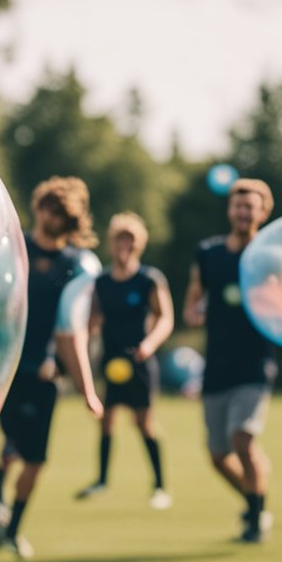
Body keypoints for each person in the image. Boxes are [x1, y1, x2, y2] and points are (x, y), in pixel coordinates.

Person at [0, 176, 103, 559]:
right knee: (16, 440)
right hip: (7, 369)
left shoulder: (74, 266)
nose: (47, 215)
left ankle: (11, 526)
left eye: (56, 211)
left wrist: (87, 390)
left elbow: (74, 332)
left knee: (36, 461)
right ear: (37, 207)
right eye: (45, 206)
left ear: (66, 218)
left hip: (46, 374)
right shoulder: (15, 251)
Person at [182, 177, 277, 543]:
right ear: (230, 210)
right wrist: (195, 312)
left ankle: (254, 519)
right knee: (218, 455)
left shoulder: (271, 257)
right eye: (238, 205)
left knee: (243, 440)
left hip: (254, 364)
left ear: (263, 212)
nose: (243, 211)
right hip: (216, 366)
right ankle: (256, 502)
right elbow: (192, 301)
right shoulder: (208, 253)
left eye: (250, 206)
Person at [74, 212, 175, 509]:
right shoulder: (101, 282)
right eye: (120, 239)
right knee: (105, 421)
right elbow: (92, 321)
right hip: (110, 361)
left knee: (143, 423)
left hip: (140, 361)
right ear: (112, 243)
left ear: (138, 244)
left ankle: (159, 486)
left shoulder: (149, 279)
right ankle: (102, 480)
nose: (124, 245)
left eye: (130, 240)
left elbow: (165, 317)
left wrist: (149, 344)